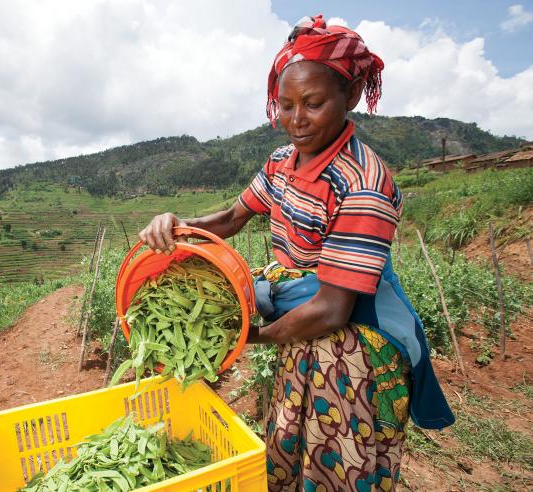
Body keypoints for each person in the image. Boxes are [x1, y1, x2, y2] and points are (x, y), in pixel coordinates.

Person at [138, 14, 454, 492]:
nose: (296, 120)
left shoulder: (363, 183)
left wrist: (248, 338)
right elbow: (229, 219)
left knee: (337, 464)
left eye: (313, 103)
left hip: (351, 348)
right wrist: (176, 225)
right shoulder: (282, 163)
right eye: (285, 106)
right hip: (300, 326)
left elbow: (331, 309)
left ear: (349, 97)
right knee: (288, 443)